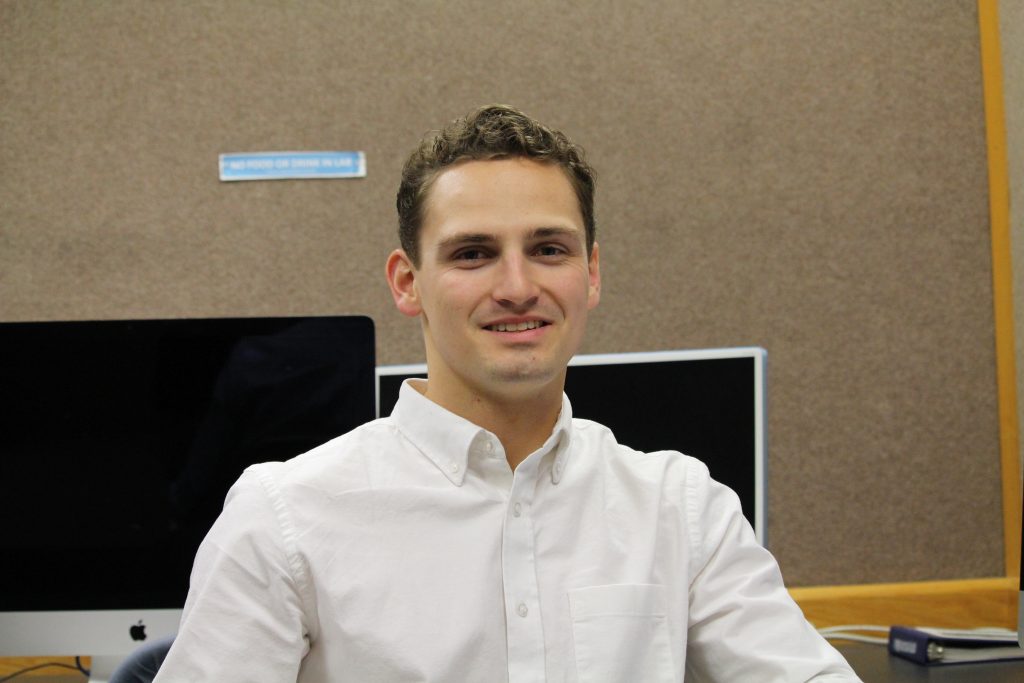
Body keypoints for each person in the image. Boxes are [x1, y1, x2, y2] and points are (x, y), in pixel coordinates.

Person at [153, 104, 861, 681]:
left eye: (549, 248)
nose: (518, 286)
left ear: (590, 274)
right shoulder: (285, 519)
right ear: (407, 282)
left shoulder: (680, 508)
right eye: (473, 253)